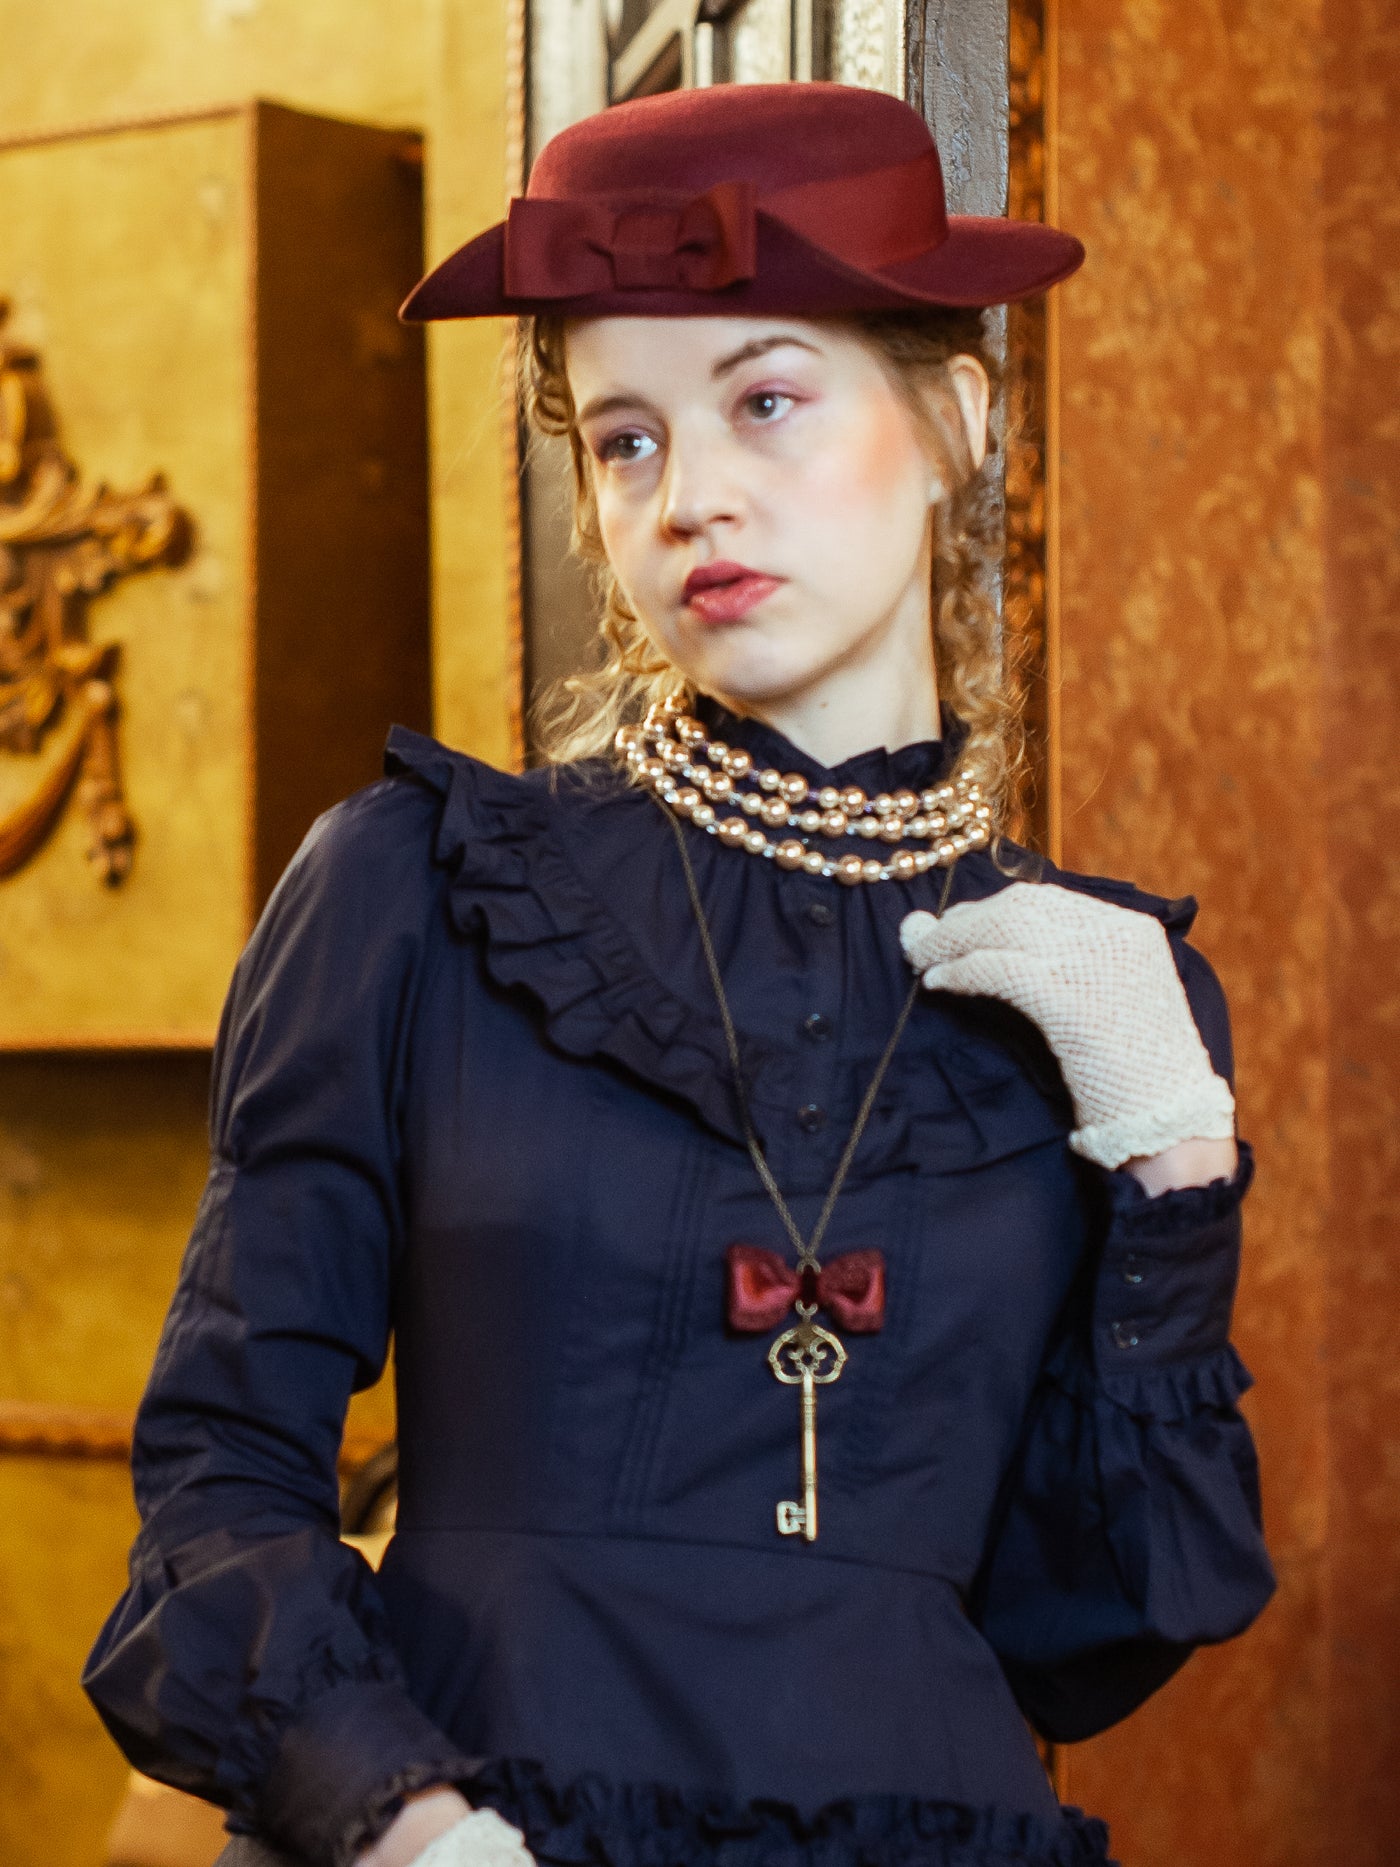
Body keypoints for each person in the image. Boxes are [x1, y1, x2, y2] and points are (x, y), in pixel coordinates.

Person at [83, 81, 1276, 1867]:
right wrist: (408, 1828)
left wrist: (1174, 1166)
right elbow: (217, 1485)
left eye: (765, 402)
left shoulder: (1104, 991)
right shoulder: (415, 891)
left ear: (953, 421)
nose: (692, 496)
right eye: (626, 440)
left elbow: (1081, 1635)